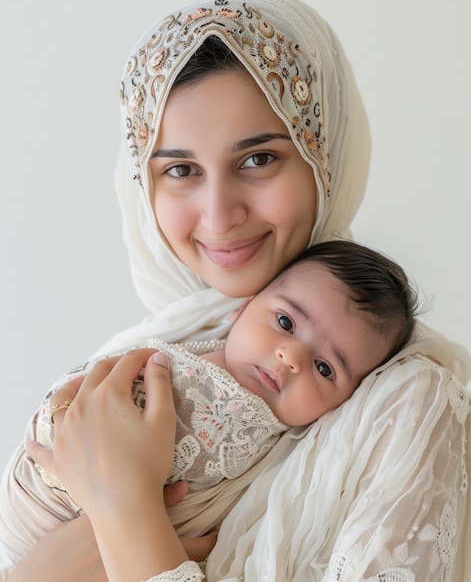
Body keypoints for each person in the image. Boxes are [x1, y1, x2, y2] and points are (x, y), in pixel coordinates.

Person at [1, 0, 470, 582]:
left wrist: (125, 512)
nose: (220, 216)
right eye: (180, 169)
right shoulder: (171, 338)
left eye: (258, 160)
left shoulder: (406, 399)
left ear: (325, 158)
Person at [3, 239, 418, 560]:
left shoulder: (290, 458)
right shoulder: (177, 358)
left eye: (325, 368)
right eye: (286, 322)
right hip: (47, 500)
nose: (290, 357)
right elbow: (84, 397)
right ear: (242, 308)